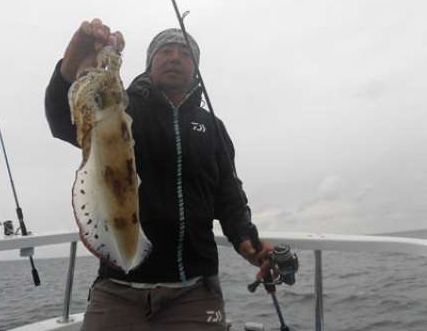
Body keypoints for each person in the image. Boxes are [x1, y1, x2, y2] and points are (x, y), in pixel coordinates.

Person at [45, 18, 274, 330]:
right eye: (166, 51)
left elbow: (228, 195)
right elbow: (64, 120)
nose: (175, 57)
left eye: (185, 53)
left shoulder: (212, 127)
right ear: (150, 62)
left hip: (194, 288)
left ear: (195, 68)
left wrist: (246, 239)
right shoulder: (121, 109)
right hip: (118, 287)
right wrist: (70, 68)